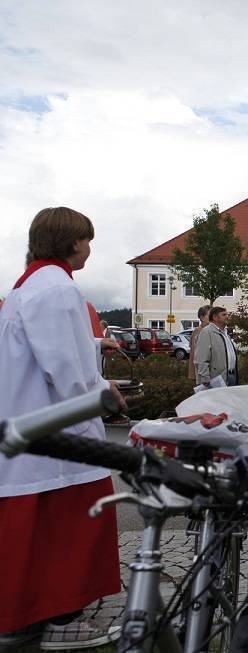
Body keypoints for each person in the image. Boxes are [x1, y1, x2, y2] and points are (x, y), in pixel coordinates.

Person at [0, 207, 127, 649]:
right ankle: (63, 620)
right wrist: (101, 389)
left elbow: (43, 344)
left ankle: (27, 618)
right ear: (72, 242)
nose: (90, 248)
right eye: (86, 240)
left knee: (31, 537)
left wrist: (94, 343)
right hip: (59, 433)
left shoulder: (28, 286)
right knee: (68, 531)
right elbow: (65, 370)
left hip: (29, 427)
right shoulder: (58, 288)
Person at [194, 306, 239, 387]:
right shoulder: (207, 332)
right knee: (217, 400)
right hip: (215, 379)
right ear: (215, 317)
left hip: (231, 375)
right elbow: (201, 357)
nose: (227, 317)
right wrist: (204, 377)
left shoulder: (225, 332)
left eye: (227, 314)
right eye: (224, 315)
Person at [187, 304, 211, 380]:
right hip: (202, 375)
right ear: (202, 317)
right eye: (210, 315)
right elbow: (197, 356)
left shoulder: (210, 330)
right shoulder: (199, 331)